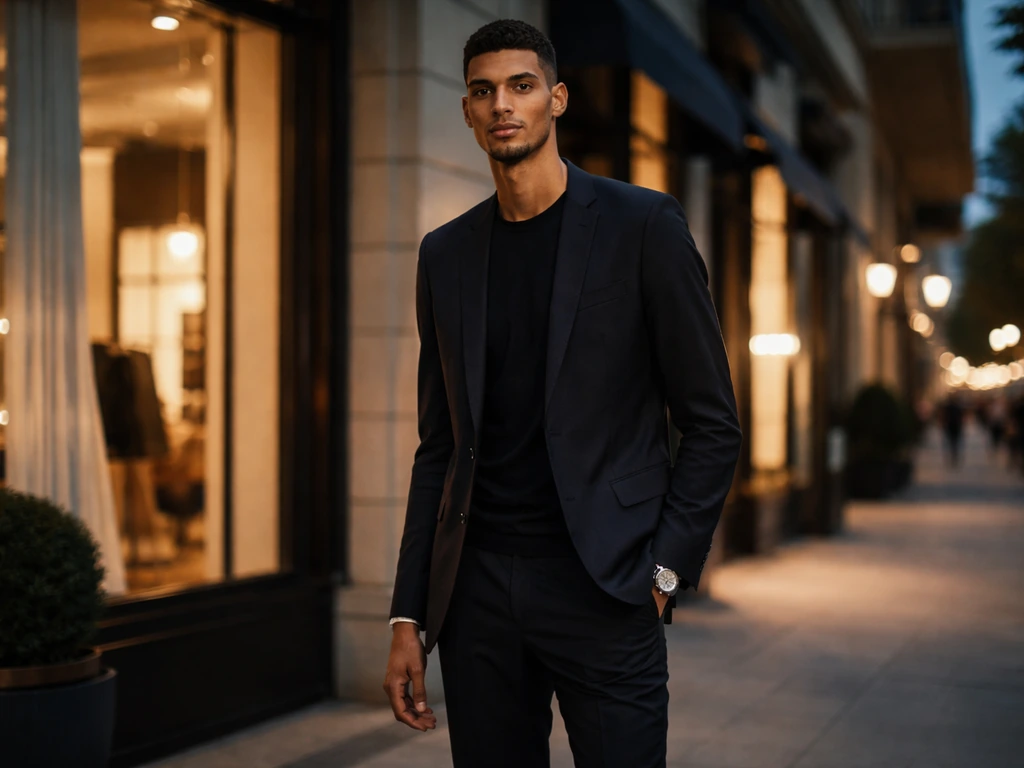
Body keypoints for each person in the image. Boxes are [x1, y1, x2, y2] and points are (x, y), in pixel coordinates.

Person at [381, 20, 741, 768]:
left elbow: (711, 424)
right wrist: (408, 612)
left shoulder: (642, 225)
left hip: (605, 589)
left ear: (557, 99)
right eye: (483, 91)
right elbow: (439, 448)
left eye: (521, 85)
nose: (502, 105)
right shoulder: (444, 255)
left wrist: (664, 576)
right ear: (468, 111)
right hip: (477, 597)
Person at [942, 392, 965, 467]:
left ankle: (953, 456)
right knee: (954, 442)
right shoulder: (956, 407)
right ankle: (954, 456)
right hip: (954, 427)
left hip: (952, 427)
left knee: (951, 442)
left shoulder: (949, 407)